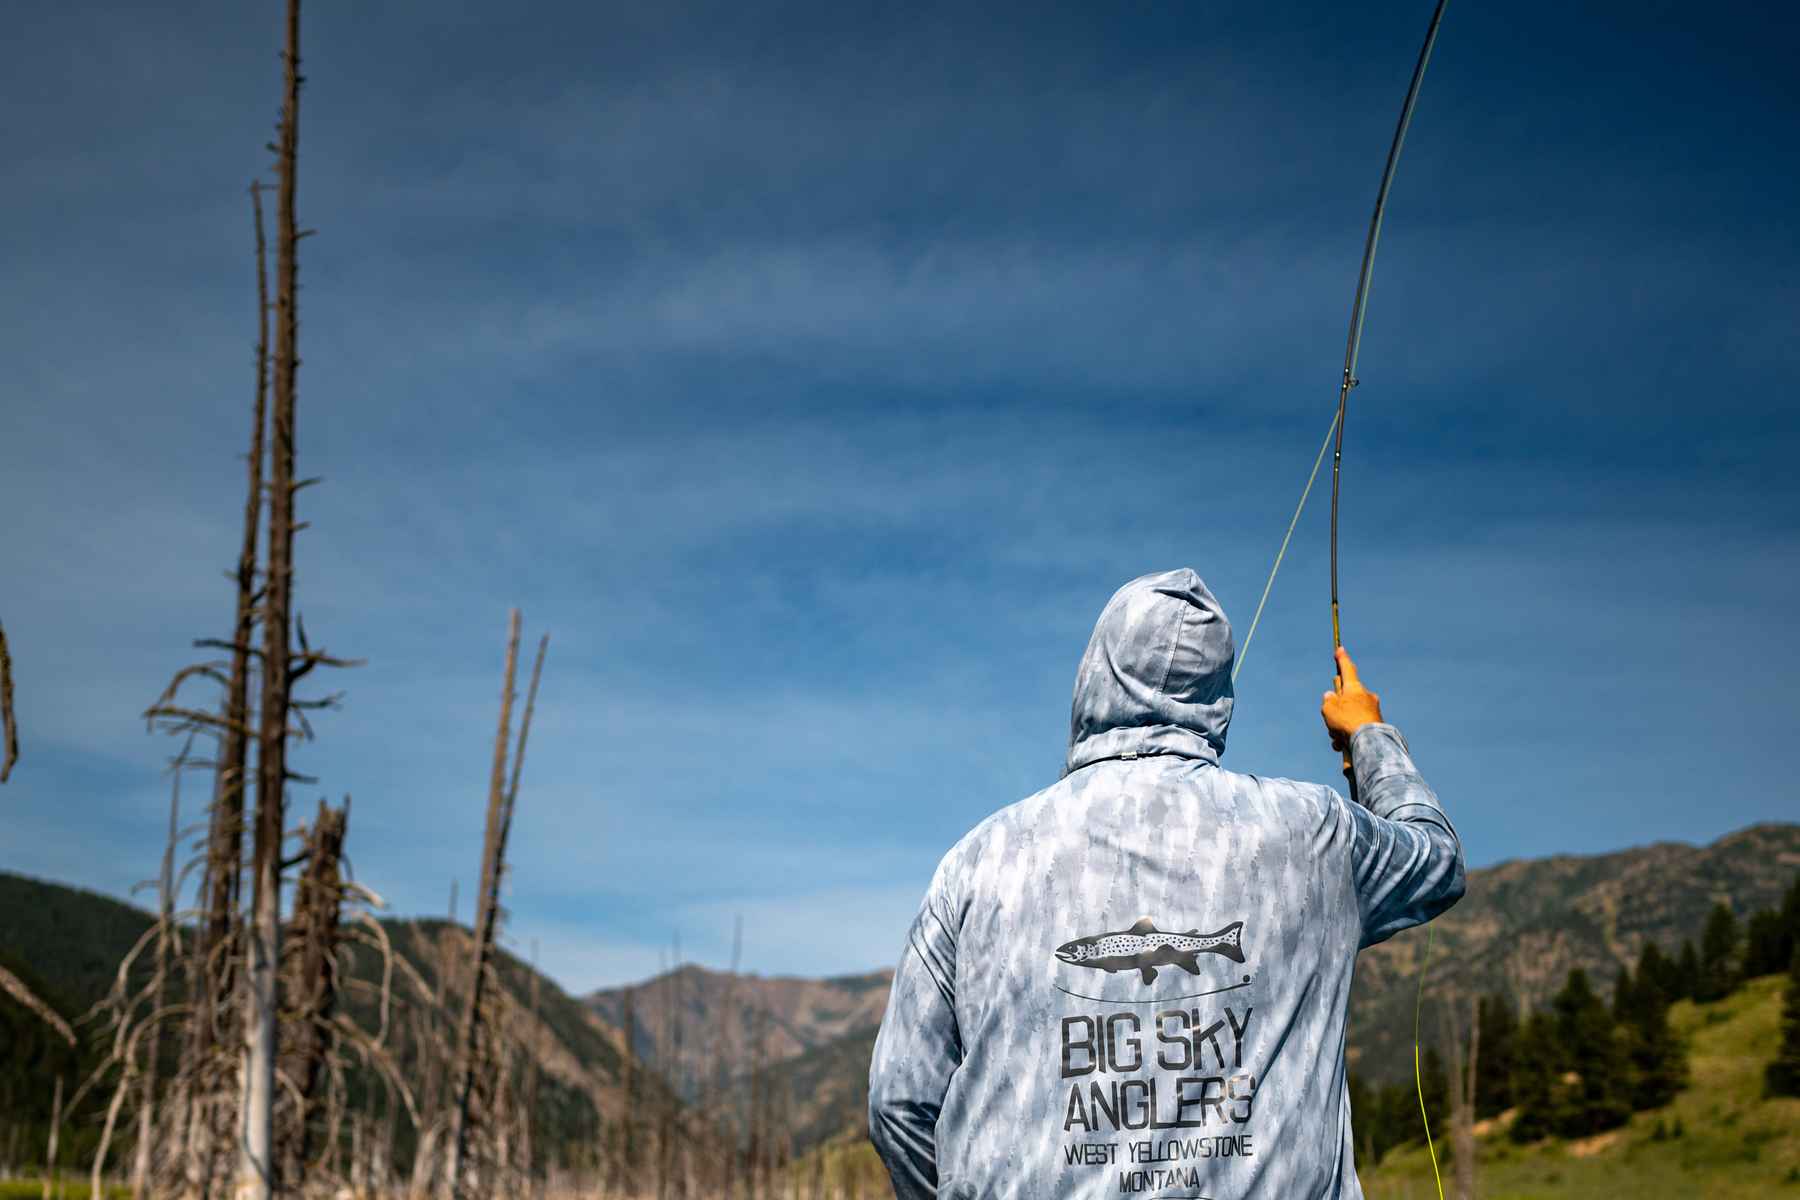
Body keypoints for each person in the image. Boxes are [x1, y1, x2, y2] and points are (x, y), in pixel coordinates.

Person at [867, 568, 1464, 1199]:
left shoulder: (976, 861)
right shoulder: (1315, 833)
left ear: (1092, 678)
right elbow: (1437, 859)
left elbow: (900, 1099)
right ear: (1218, 697)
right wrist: (1368, 736)